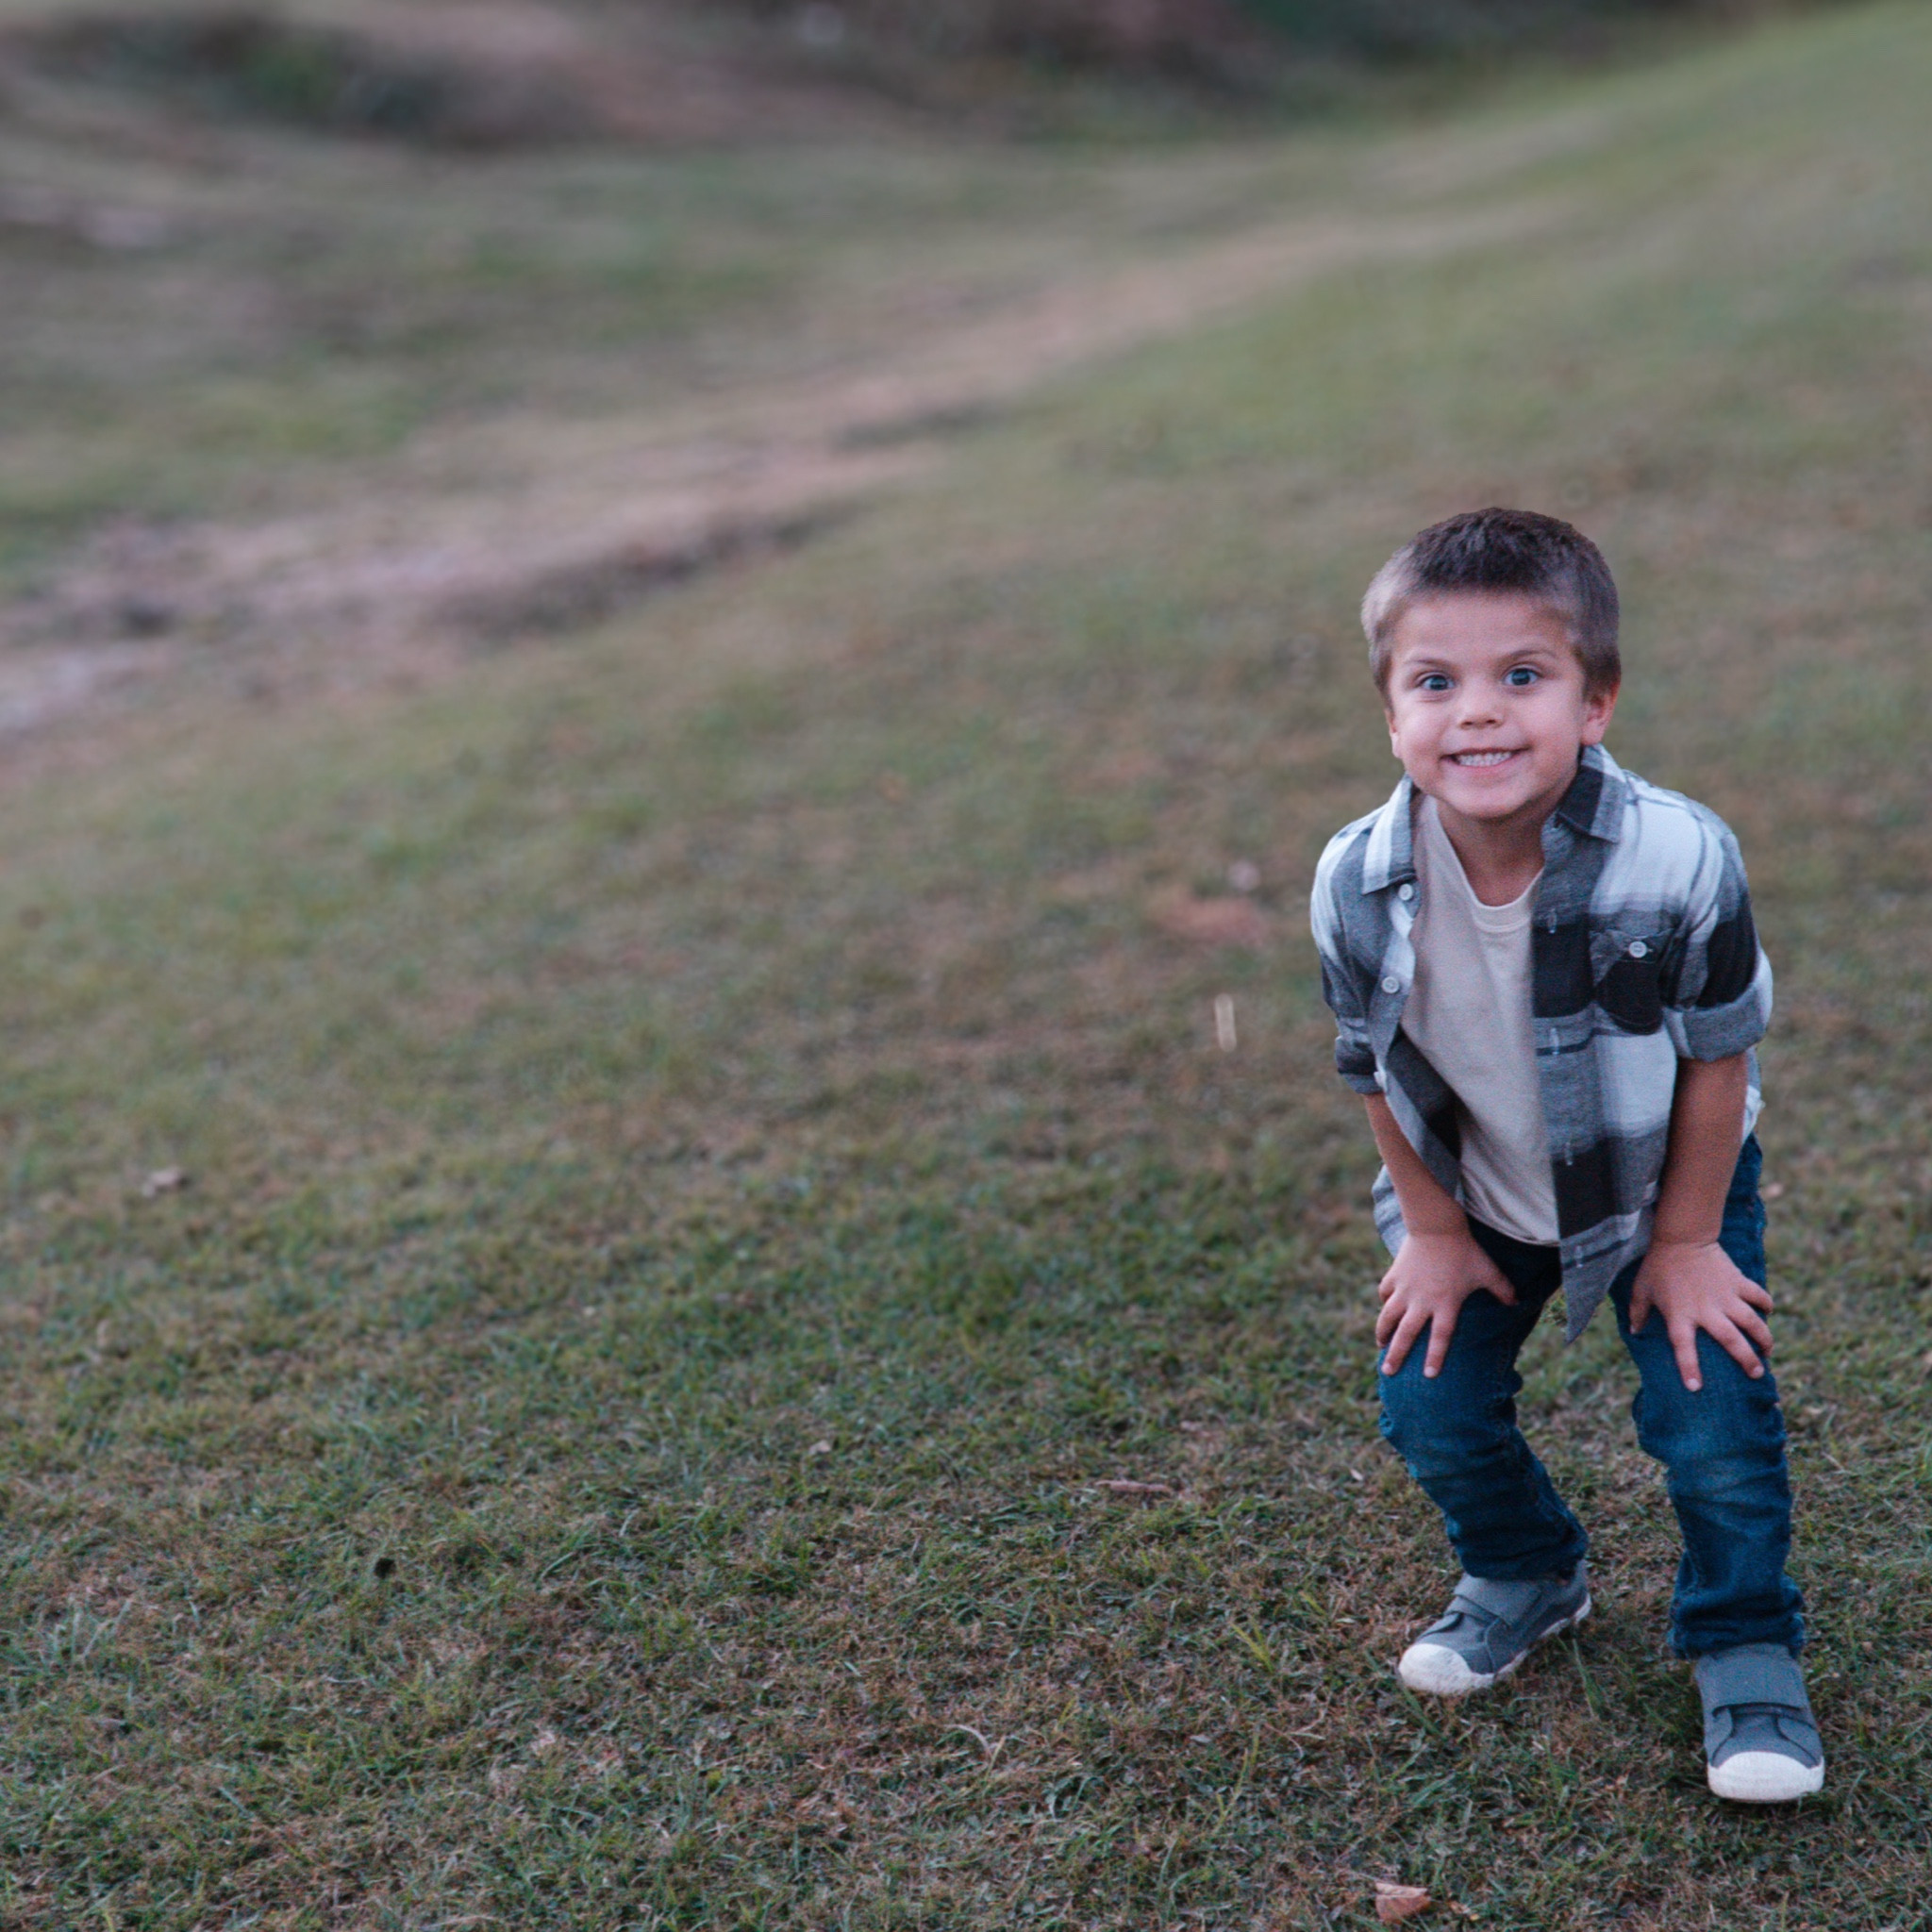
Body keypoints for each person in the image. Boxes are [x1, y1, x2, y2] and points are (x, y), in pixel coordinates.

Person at [1308, 508, 1822, 1803]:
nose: (1476, 715)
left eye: (1521, 677)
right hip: (1473, 1191)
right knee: (1429, 1405)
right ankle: (1528, 1569)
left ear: (1595, 702)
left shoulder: (1678, 857)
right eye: (1435, 682)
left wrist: (1692, 1239)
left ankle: (1744, 1638)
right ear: (1390, 714)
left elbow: (1721, 1054)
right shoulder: (1356, 881)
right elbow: (1370, 1064)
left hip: (1663, 1189)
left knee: (1711, 1422)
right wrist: (1430, 1230)